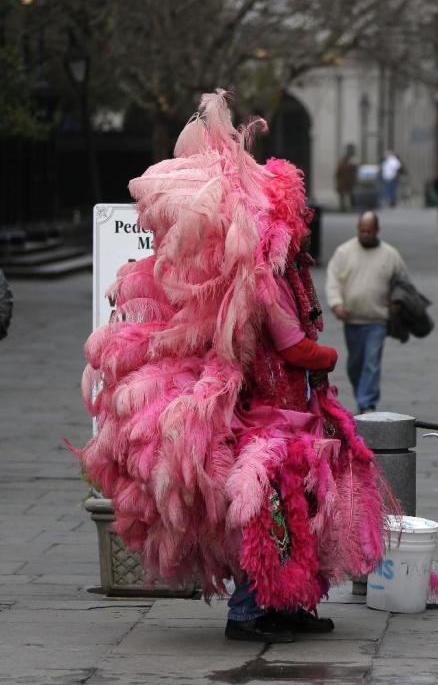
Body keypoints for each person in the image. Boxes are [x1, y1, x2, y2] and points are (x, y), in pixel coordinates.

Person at [74, 92, 389, 645]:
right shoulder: (264, 281)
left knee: (300, 510)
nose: (301, 233)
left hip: (293, 412)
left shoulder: (277, 272)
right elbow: (294, 346)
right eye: (296, 225)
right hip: (269, 417)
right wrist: (330, 355)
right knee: (264, 514)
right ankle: (248, 612)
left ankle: (290, 604)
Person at [325, 211, 409, 413]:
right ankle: (362, 394)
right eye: (362, 231)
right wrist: (336, 304)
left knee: (371, 362)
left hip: (377, 319)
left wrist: (397, 301)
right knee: (355, 364)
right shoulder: (344, 252)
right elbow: (333, 280)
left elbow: (403, 282)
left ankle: (367, 403)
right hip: (352, 319)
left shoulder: (390, 254)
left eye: (369, 231)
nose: (365, 235)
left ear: (377, 231)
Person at [335, 143, 358, 212]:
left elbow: (337, 174)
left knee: (343, 196)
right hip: (347, 182)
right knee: (349, 195)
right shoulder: (351, 166)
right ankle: (350, 206)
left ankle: (343, 207)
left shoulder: (342, 166)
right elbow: (355, 169)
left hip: (343, 182)